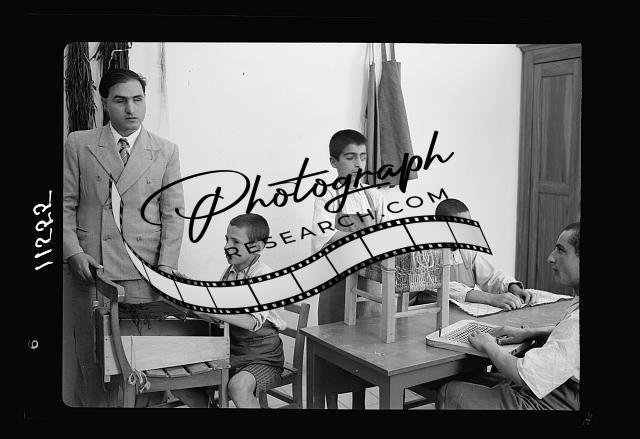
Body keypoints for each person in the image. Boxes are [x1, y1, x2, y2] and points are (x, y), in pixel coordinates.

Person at [62, 68, 185, 407]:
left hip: (144, 274)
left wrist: (165, 267)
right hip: (91, 271)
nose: (131, 109)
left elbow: (174, 215)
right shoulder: (79, 143)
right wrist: (73, 252)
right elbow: (63, 205)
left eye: (137, 99)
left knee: (143, 363)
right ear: (105, 103)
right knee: (92, 360)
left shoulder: (165, 151)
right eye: (120, 101)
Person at [436, 222, 580, 410]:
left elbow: (493, 276)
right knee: (465, 380)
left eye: (561, 250)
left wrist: (488, 345)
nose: (551, 257)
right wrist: (531, 333)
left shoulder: (469, 253)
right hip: (555, 389)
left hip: (554, 399)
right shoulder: (428, 254)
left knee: (450, 393)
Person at [310, 129, 389, 409]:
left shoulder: (373, 195)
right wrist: (361, 237)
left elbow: (383, 232)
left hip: (368, 283)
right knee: (333, 346)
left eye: (363, 157)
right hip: (337, 282)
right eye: (350, 157)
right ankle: (332, 404)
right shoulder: (326, 195)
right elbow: (322, 237)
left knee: (364, 350)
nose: (358, 164)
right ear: (334, 162)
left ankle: (359, 405)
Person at [175, 213, 286, 408]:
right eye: (226, 239)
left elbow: (250, 321)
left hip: (264, 358)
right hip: (231, 352)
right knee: (178, 380)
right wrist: (190, 297)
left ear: (257, 246)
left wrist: (205, 304)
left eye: (235, 241)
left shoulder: (264, 276)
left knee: (238, 387)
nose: (227, 246)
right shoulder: (230, 273)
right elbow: (219, 318)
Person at [431, 198, 532, 310]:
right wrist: (491, 298)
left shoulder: (467, 251)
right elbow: (444, 288)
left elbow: (491, 277)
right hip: (432, 317)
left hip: (462, 313)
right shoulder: (425, 255)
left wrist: (514, 288)